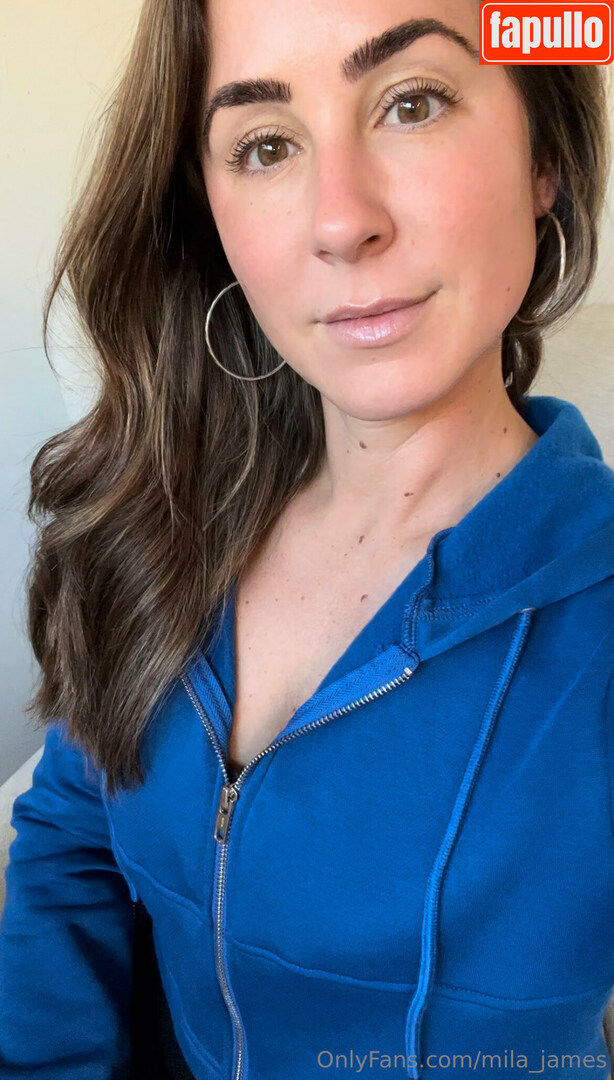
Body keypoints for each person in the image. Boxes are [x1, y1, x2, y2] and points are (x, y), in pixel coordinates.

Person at [0, 0, 613, 1075]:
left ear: (544, 160)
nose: (340, 221)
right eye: (265, 145)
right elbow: (74, 837)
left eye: (411, 103)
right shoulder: (158, 520)